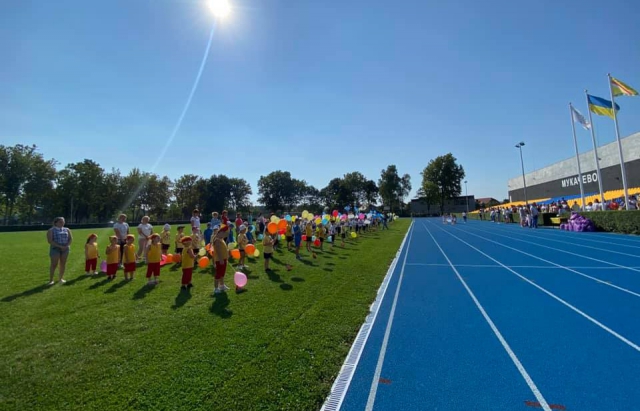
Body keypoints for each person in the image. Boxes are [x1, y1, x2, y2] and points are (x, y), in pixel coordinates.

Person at [47, 217, 72, 285]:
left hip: (65, 249)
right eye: (60, 222)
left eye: (63, 222)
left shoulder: (67, 229)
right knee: (54, 264)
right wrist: (60, 246)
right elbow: (50, 241)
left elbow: (70, 239)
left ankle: (60, 278)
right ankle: (51, 280)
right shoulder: (51, 230)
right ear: (56, 223)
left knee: (63, 264)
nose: (62, 223)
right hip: (55, 249)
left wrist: (66, 246)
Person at [213, 225, 230, 294]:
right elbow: (218, 251)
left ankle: (222, 285)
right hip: (220, 260)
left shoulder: (221, 239)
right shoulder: (217, 240)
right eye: (225, 234)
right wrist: (221, 259)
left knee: (222, 273)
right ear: (221, 232)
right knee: (218, 274)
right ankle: (216, 288)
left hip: (223, 259)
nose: (225, 235)